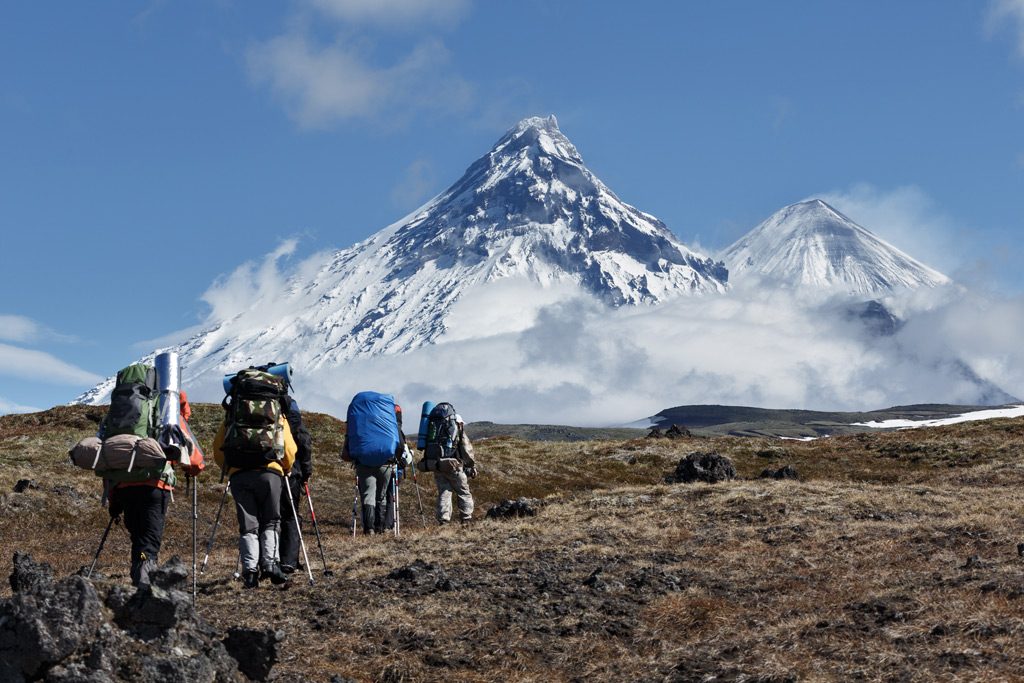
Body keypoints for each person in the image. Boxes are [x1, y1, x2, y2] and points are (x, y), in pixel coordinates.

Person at [105, 391, 204, 587]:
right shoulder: (168, 412)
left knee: (138, 537)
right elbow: (195, 461)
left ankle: (138, 582)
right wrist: (192, 469)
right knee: (148, 541)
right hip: (154, 486)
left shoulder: (126, 415)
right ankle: (144, 587)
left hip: (124, 485)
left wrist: (113, 499)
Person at [213, 394, 297, 589]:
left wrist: (228, 469)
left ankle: (250, 573)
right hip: (270, 472)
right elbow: (289, 447)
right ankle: (270, 564)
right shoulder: (276, 412)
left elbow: (218, 447)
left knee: (248, 525)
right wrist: (285, 467)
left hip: (239, 474)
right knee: (271, 520)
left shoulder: (234, 414)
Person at [340, 392, 405, 536]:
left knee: (368, 495)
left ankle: (369, 529)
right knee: (381, 496)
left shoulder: (362, 416)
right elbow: (399, 444)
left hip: (364, 462)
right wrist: (397, 460)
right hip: (386, 463)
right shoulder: (389, 419)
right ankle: (380, 528)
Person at [279, 397, 313, 573]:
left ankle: (260, 563)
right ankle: (287, 561)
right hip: (289, 470)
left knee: (262, 518)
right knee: (290, 515)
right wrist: (306, 471)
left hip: (253, 469)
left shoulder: (245, 401)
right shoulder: (289, 404)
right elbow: (302, 439)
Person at [433, 412, 477, 526]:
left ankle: (444, 521)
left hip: (438, 466)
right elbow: (467, 450)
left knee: (444, 492)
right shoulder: (458, 431)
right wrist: (472, 466)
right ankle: (466, 519)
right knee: (463, 492)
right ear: (459, 423)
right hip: (455, 467)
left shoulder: (436, 431)